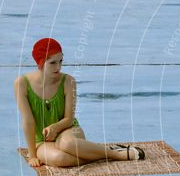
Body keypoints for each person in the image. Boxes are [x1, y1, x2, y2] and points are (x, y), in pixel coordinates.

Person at [14, 37, 144, 167]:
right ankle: (97, 153)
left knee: (67, 144)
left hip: (68, 130)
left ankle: (117, 154)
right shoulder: (22, 84)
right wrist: (32, 155)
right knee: (60, 159)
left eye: (60, 61)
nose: (58, 67)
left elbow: (69, 119)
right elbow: (28, 121)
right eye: (52, 63)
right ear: (40, 62)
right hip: (41, 140)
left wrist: (55, 127)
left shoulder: (68, 81)